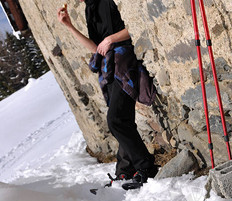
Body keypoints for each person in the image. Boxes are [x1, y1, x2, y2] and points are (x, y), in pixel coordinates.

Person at [57, 0, 158, 189]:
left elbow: (136, 27)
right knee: (122, 120)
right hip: (110, 68)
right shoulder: (90, 7)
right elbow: (97, 49)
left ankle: (146, 167)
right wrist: (69, 26)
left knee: (116, 120)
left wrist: (111, 39)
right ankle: (125, 171)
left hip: (124, 65)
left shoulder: (107, 1)